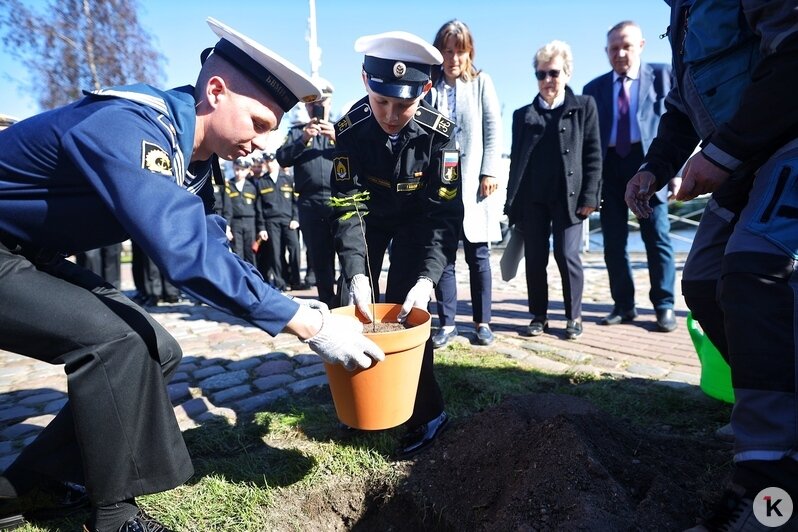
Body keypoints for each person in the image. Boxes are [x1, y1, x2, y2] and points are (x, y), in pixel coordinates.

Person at [0, 18, 384, 532]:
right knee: (112, 343)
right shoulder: (130, 125)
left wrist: (287, 301)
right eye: (258, 124)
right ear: (216, 90)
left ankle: (33, 485)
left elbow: (209, 241)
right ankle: (115, 517)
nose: (260, 144)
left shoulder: (196, 155)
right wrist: (306, 325)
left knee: (158, 347)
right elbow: (183, 253)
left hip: (30, 251)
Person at [624, 2, 798, 529]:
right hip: (743, 160)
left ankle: (770, 479)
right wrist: (655, 167)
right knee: (703, 281)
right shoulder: (682, 11)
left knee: (754, 269)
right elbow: (681, 107)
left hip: (783, 140)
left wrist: (722, 153)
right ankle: (774, 408)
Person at [331, 31, 462, 456]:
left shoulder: (439, 134)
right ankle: (359, 396)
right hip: (369, 219)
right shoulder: (350, 129)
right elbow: (348, 205)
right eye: (381, 101)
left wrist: (428, 277)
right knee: (354, 303)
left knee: (408, 309)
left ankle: (427, 411)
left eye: (403, 105)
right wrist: (354, 270)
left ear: (424, 90)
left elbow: (444, 217)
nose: (390, 115)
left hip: (418, 221)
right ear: (366, 81)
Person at [583, 21, 678, 333]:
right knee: (613, 241)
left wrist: (673, 170)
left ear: (641, 45)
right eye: (614, 48)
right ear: (606, 51)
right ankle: (623, 305)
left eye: (626, 45)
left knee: (657, 237)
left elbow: (682, 122)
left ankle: (664, 305)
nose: (620, 53)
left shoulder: (665, 76)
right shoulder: (593, 90)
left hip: (650, 163)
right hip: (609, 168)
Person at [504, 40, 602, 341]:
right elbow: (516, 160)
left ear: (567, 73)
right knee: (534, 258)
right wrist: (512, 203)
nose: (548, 80)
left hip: (568, 198)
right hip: (532, 199)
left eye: (554, 73)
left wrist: (590, 197)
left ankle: (574, 316)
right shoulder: (522, 115)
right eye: (541, 74)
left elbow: (593, 155)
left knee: (566, 254)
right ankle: (538, 316)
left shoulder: (584, 107)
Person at [427, 20, 503, 349]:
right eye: (448, 51)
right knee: (442, 256)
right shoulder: (428, 85)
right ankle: (447, 323)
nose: (454, 59)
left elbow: (492, 128)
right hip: (438, 183)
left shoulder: (481, 82)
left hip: (473, 180)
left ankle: (482, 322)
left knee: (479, 255)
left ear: (469, 52)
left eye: (460, 51)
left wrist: (490, 171)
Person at [276, 78, 339, 306]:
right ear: (306, 106)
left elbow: (361, 158)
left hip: (339, 200)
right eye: (313, 104)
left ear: (330, 104)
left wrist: (338, 139)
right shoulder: (296, 133)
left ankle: (345, 302)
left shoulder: (342, 129)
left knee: (347, 255)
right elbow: (282, 157)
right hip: (309, 202)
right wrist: (304, 139)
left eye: (323, 103)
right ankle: (327, 303)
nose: (318, 107)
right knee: (319, 257)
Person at [255, 152, 301, 291]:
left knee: (294, 249)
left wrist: (296, 219)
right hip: (271, 221)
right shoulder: (261, 182)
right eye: (267, 161)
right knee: (276, 253)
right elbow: (259, 207)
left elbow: (295, 202)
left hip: (289, 221)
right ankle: (281, 282)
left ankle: (296, 280)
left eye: (272, 161)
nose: (270, 164)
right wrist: (262, 227)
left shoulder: (288, 179)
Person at [224, 155, 259, 265]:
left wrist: (260, 227)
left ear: (248, 170)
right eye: (237, 169)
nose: (239, 172)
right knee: (237, 251)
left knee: (250, 252)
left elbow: (257, 208)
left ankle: (252, 279)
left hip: (250, 222)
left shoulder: (252, 187)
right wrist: (227, 226)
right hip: (235, 222)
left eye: (242, 170)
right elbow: (227, 207)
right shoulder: (229, 185)